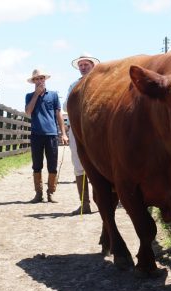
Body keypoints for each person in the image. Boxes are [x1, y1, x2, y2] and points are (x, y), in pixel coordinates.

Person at [25, 69, 68, 203]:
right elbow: (28, 111)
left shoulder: (54, 95)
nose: (39, 81)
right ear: (33, 81)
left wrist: (63, 133)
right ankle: (38, 193)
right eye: (36, 79)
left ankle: (51, 192)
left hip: (51, 134)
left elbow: (59, 115)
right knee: (37, 165)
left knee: (52, 165)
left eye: (41, 78)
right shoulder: (29, 96)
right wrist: (36, 95)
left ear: (45, 80)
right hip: (36, 134)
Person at [65, 54, 100, 215]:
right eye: (81, 65)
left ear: (93, 65)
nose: (83, 67)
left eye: (86, 64)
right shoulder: (73, 85)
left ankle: (103, 202)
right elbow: (66, 106)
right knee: (78, 163)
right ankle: (84, 204)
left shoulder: (101, 83)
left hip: (96, 128)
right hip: (77, 128)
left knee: (100, 162)